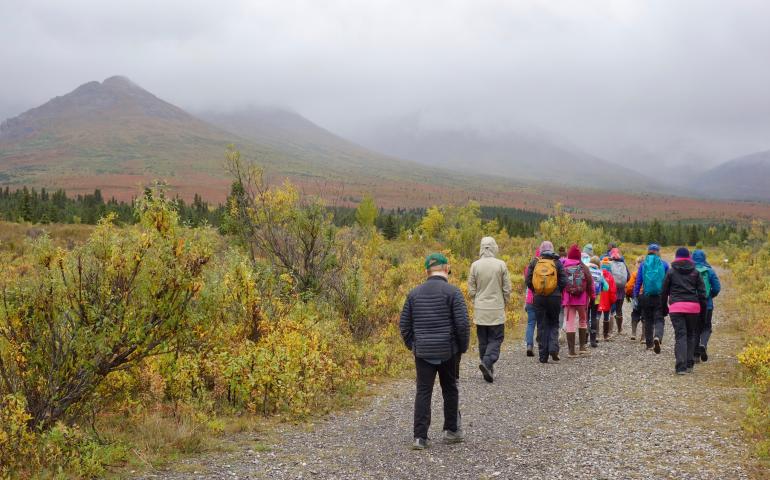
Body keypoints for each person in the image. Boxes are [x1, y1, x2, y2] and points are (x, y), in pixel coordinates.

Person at [399, 253, 470, 449]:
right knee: (450, 388)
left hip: (423, 352)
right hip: (449, 351)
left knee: (423, 391)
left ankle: (420, 438)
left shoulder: (413, 294)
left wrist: (414, 345)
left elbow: (404, 326)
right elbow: (462, 325)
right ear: (446, 269)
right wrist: (461, 348)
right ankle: (451, 431)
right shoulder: (453, 292)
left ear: (426, 271)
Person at [468, 237, 512, 382]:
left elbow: (471, 289)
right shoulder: (501, 265)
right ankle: (487, 363)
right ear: (494, 247)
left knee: (483, 340)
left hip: (480, 309)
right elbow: (507, 288)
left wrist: (476, 301)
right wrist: (505, 302)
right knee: (497, 338)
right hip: (496, 307)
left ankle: (487, 367)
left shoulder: (475, 265)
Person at [661, 247, 706, 375]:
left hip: (676, 308)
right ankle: (689, 364)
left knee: (680, 335)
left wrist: (664, 308)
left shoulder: (670, 272)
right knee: (691, 334)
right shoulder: (696, 272)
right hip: (693, 308)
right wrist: (702, 310)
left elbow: (664, 292)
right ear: (689, 257)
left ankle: (680, 366)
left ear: (676, 257)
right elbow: (702, 293)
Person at [526, 241, 567, 364]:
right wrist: (557, 290)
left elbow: (528, 280)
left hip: (539, 298)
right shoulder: (557, 262)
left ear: (541, 250)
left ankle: (543, 356)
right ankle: (554, 348)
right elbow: (564, 281)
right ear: (552, 249)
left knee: (542, 325)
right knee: (554, 323)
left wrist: (536, 290)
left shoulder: (535, 262)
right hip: (554, 297)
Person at [634, 243, 669, 353]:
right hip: (659, 296)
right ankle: (657, 337)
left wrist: (636, 296)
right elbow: (668, 282)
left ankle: (649, 344)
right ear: (658, 251)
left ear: (648, 251)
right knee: (659, 318)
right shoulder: (664, 264)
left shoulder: (643, 264)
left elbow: (638, 282)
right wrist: (668, 296)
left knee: (648, 319)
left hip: (646, 295)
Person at [561, 244, 594, 357]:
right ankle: (582, 348)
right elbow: (590, 283)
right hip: (582, 300)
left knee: (570, 323)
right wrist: (592, 296)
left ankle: (571, 351)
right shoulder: (583, 266)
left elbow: (560, 283)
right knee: (582, 321)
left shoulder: (563, 265)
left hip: (568, 300)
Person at [692, 249, 721, 363]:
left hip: (693, 305)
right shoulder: (710, 271)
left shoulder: (690, 270)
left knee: (695, 329)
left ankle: (695, 356)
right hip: (707, 305)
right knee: (706, 327)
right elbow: (717, 288)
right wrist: (709, 296)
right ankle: (703, 344)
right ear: (704, 258)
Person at [608, 248, 630, 335]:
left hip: (612, 290)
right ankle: (620, 329)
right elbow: (628, 277)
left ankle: (610, 330)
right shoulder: (623, 263)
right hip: (621, 290)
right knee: (619, 309)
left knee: (611, 310)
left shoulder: (609, 264)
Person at [523, 248, 540, 357]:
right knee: (541, 323)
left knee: (530, 324)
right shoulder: (546, 267)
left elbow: (527, 287)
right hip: (541, 299)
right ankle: (541, 344)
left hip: (530, 299)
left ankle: (529, 345)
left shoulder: (528, 268)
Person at [586, 255, 607, 348]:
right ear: (599, 264)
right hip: (596, 296)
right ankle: (593, 340)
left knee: (585, 317)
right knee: (593, 316)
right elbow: (605, 286)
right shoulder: (600, 272)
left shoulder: (586, 270)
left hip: (586, 296)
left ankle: (585, 338)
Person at [625, 256, 644, 342]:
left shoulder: (635, 273)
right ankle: (643, 337)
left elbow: (629, 286)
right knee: (645, 315)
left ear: (638, 264)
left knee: (635, 313)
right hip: (646, 296)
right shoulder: (647, 273)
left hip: (636, 296)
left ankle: (633, 333)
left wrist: (628, 294)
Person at [598, 258, 617, 341]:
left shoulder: (598, 274)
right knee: (606, 317)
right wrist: (613, 301)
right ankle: (605, 335)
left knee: (597, 317)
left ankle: (596, 335)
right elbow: (613, 291)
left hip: (597, 300)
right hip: (607, 301)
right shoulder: (610, 276)